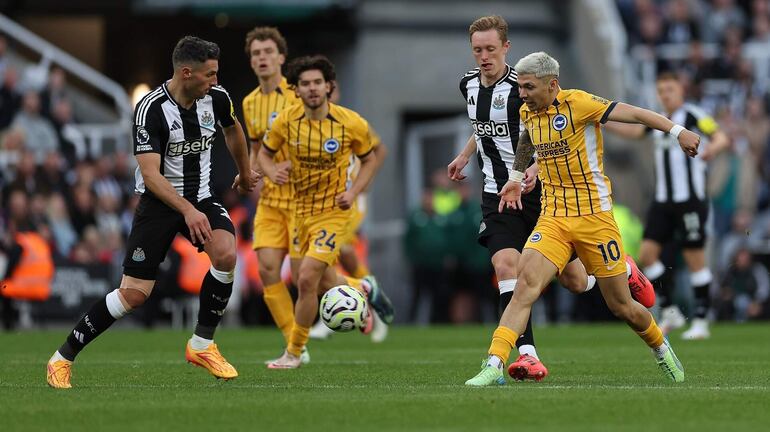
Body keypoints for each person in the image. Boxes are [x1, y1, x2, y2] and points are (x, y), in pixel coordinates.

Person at [465, 51, 699, 386]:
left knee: (622, 306)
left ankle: (661, 348)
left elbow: (636, 113)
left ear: (552, 85)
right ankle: (494, 364)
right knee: (524, 287)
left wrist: (678, 132)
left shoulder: (580, 104)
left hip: (594, 218)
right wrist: (516, 179)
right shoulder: (526, 110)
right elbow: (526, 142)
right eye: (520, 87)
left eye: (529, 87)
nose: (522, 94)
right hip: (553, 217)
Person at [448, 16, 655, 381]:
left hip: (542, 195)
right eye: (477, 50)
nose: (484, 56)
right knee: (508, 268)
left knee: (574, 282)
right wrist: (466, 155)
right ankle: (525, 354)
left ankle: (621, 268)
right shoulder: (467, 84)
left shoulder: (525, 86)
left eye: (491, 49)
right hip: (497, 192)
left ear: (506, 48)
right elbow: (483, 128)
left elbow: (551, 135)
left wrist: (535, 170)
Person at [46, 36, 260, 389]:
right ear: (187, 73)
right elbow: (150, 176)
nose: (216, 81)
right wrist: (187, 211)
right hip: (159, 203)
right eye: (210, 75)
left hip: (201, 196)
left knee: (225, 254)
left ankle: (202, 344)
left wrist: (246, 170)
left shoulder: (217, 98)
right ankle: (62, 357)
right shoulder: (150, 108)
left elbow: (233, 130)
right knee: (134, 294)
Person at [258, 55, 393, 369]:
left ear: (329, 86)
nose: (312, 88)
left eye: (318, 82)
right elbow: (265, 154)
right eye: (305, 84)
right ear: (296, 90)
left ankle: (294, 352)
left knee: (306, 279)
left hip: (333, 212)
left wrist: (354, 191)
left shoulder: (350, 122)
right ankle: (362, 287)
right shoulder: (286, 120)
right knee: (315, 282)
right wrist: (271, 170)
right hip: (298, 212)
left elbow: (372, 158)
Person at [604, 72, 729, 339]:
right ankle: (670, 309)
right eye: (661, 90)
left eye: (670, 89)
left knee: (694, 259)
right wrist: (604, 121)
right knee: (647, 254)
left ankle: (701, 321)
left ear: (681, 90)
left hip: (690, 200)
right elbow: (636, 131)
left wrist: (713, 149)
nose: (665, 95)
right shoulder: (658, 121)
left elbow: (720, 137)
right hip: (663, 201)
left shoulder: (694, 115)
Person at [241, 26, 309, 363]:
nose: (262, 58)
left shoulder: (297, 95)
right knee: (267, 268)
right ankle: (295, 345)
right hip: (270, 199)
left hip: (300, 197)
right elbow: (256, 148)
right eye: (256, 54)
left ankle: (360, 289)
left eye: (268, 52)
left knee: (302, 277)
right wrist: (253, 173)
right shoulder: (250, 102)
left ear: (281, 57)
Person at [309, 81, 390, 342]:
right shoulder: (307, 123)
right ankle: (370, 302)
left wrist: (362, 185)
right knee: (340, 255)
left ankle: (332, 314)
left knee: (329, 252)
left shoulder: (350, 121)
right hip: (322, 203)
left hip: (349, 200)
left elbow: (379, 150)